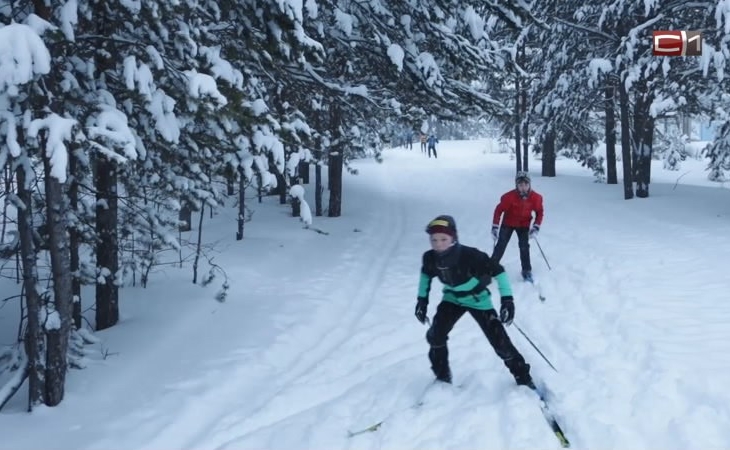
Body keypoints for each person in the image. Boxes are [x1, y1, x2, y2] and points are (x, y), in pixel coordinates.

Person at [415, 215, 533, 387]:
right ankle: (442, 377)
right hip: (452, 299)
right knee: (435, 336)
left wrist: (507, 300)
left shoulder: (470, 255)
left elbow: (499, 271)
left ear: (453, 238)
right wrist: (421, 302)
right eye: (434, 239)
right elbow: (425, 277)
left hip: (478, 300)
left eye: (443, 239)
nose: (438, 244)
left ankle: (523, 377)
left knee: (500, 343)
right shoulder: (430, 258)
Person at [491, 171, 544, 282]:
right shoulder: (508, 197)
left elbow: (539, 212)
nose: (523, 187)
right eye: (520, 185)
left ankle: (526, 270)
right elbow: (498, 210)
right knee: (501, 245)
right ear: (516, 185)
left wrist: (536, 227)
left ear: (530, 184)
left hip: (524, 224)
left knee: (524, 247)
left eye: (526, 184)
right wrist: (495, 226)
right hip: (508, 223)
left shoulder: (536, 198)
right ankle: (491, 267)